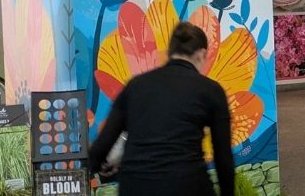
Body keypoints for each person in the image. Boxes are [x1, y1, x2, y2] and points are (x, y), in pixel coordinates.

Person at [89, 22, 235, 196]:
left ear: (170, 53)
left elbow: (102, 146)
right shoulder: (210, 90)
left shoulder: (136, 86)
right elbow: (223, 157)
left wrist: (98, 167)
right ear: (202, 54)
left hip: (135, 187)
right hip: (187, 185)